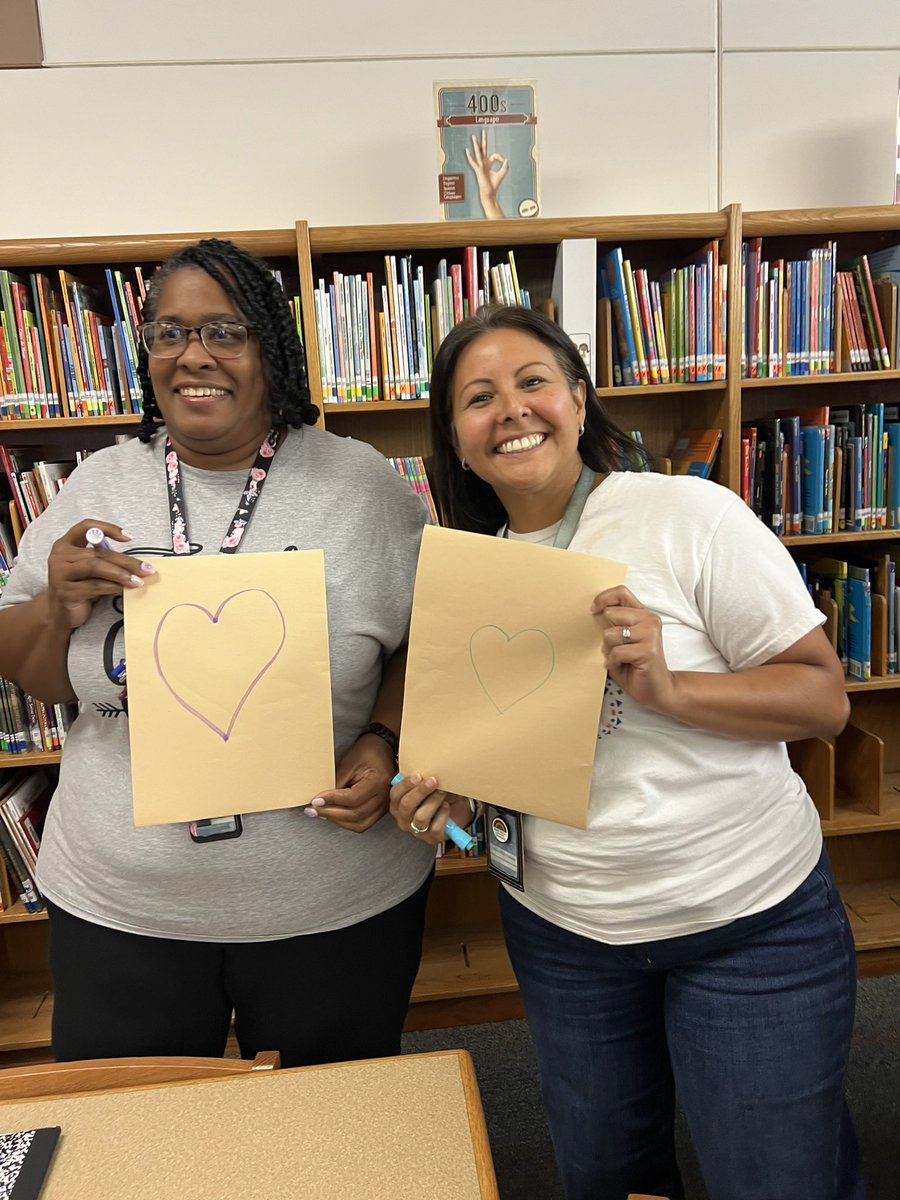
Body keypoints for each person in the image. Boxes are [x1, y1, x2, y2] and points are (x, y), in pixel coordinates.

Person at [390, 305, 864, 1200]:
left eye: (533, 382)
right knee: (608, 1179)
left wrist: (671, 690)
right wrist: (455, 800)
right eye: (479, 398)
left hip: (747, 921)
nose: (512, 411)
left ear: (577, 396)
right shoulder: (469, 573)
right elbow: (510, 755)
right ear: (454, 440)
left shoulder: (684, 514)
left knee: (775, 1179)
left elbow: (823, 698)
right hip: (567, 934)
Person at [0, 238, 435, 1069]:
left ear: (271, 351)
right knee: (136, 1147)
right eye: (169, 333)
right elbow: (29, 665)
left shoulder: (363, 488)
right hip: (121, 909)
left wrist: (382, 745)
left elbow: (423, 644)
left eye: (225, 331)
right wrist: (57, 605)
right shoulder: (95, 488)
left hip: (333, 903)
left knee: (337, 1142)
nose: (193, 355)